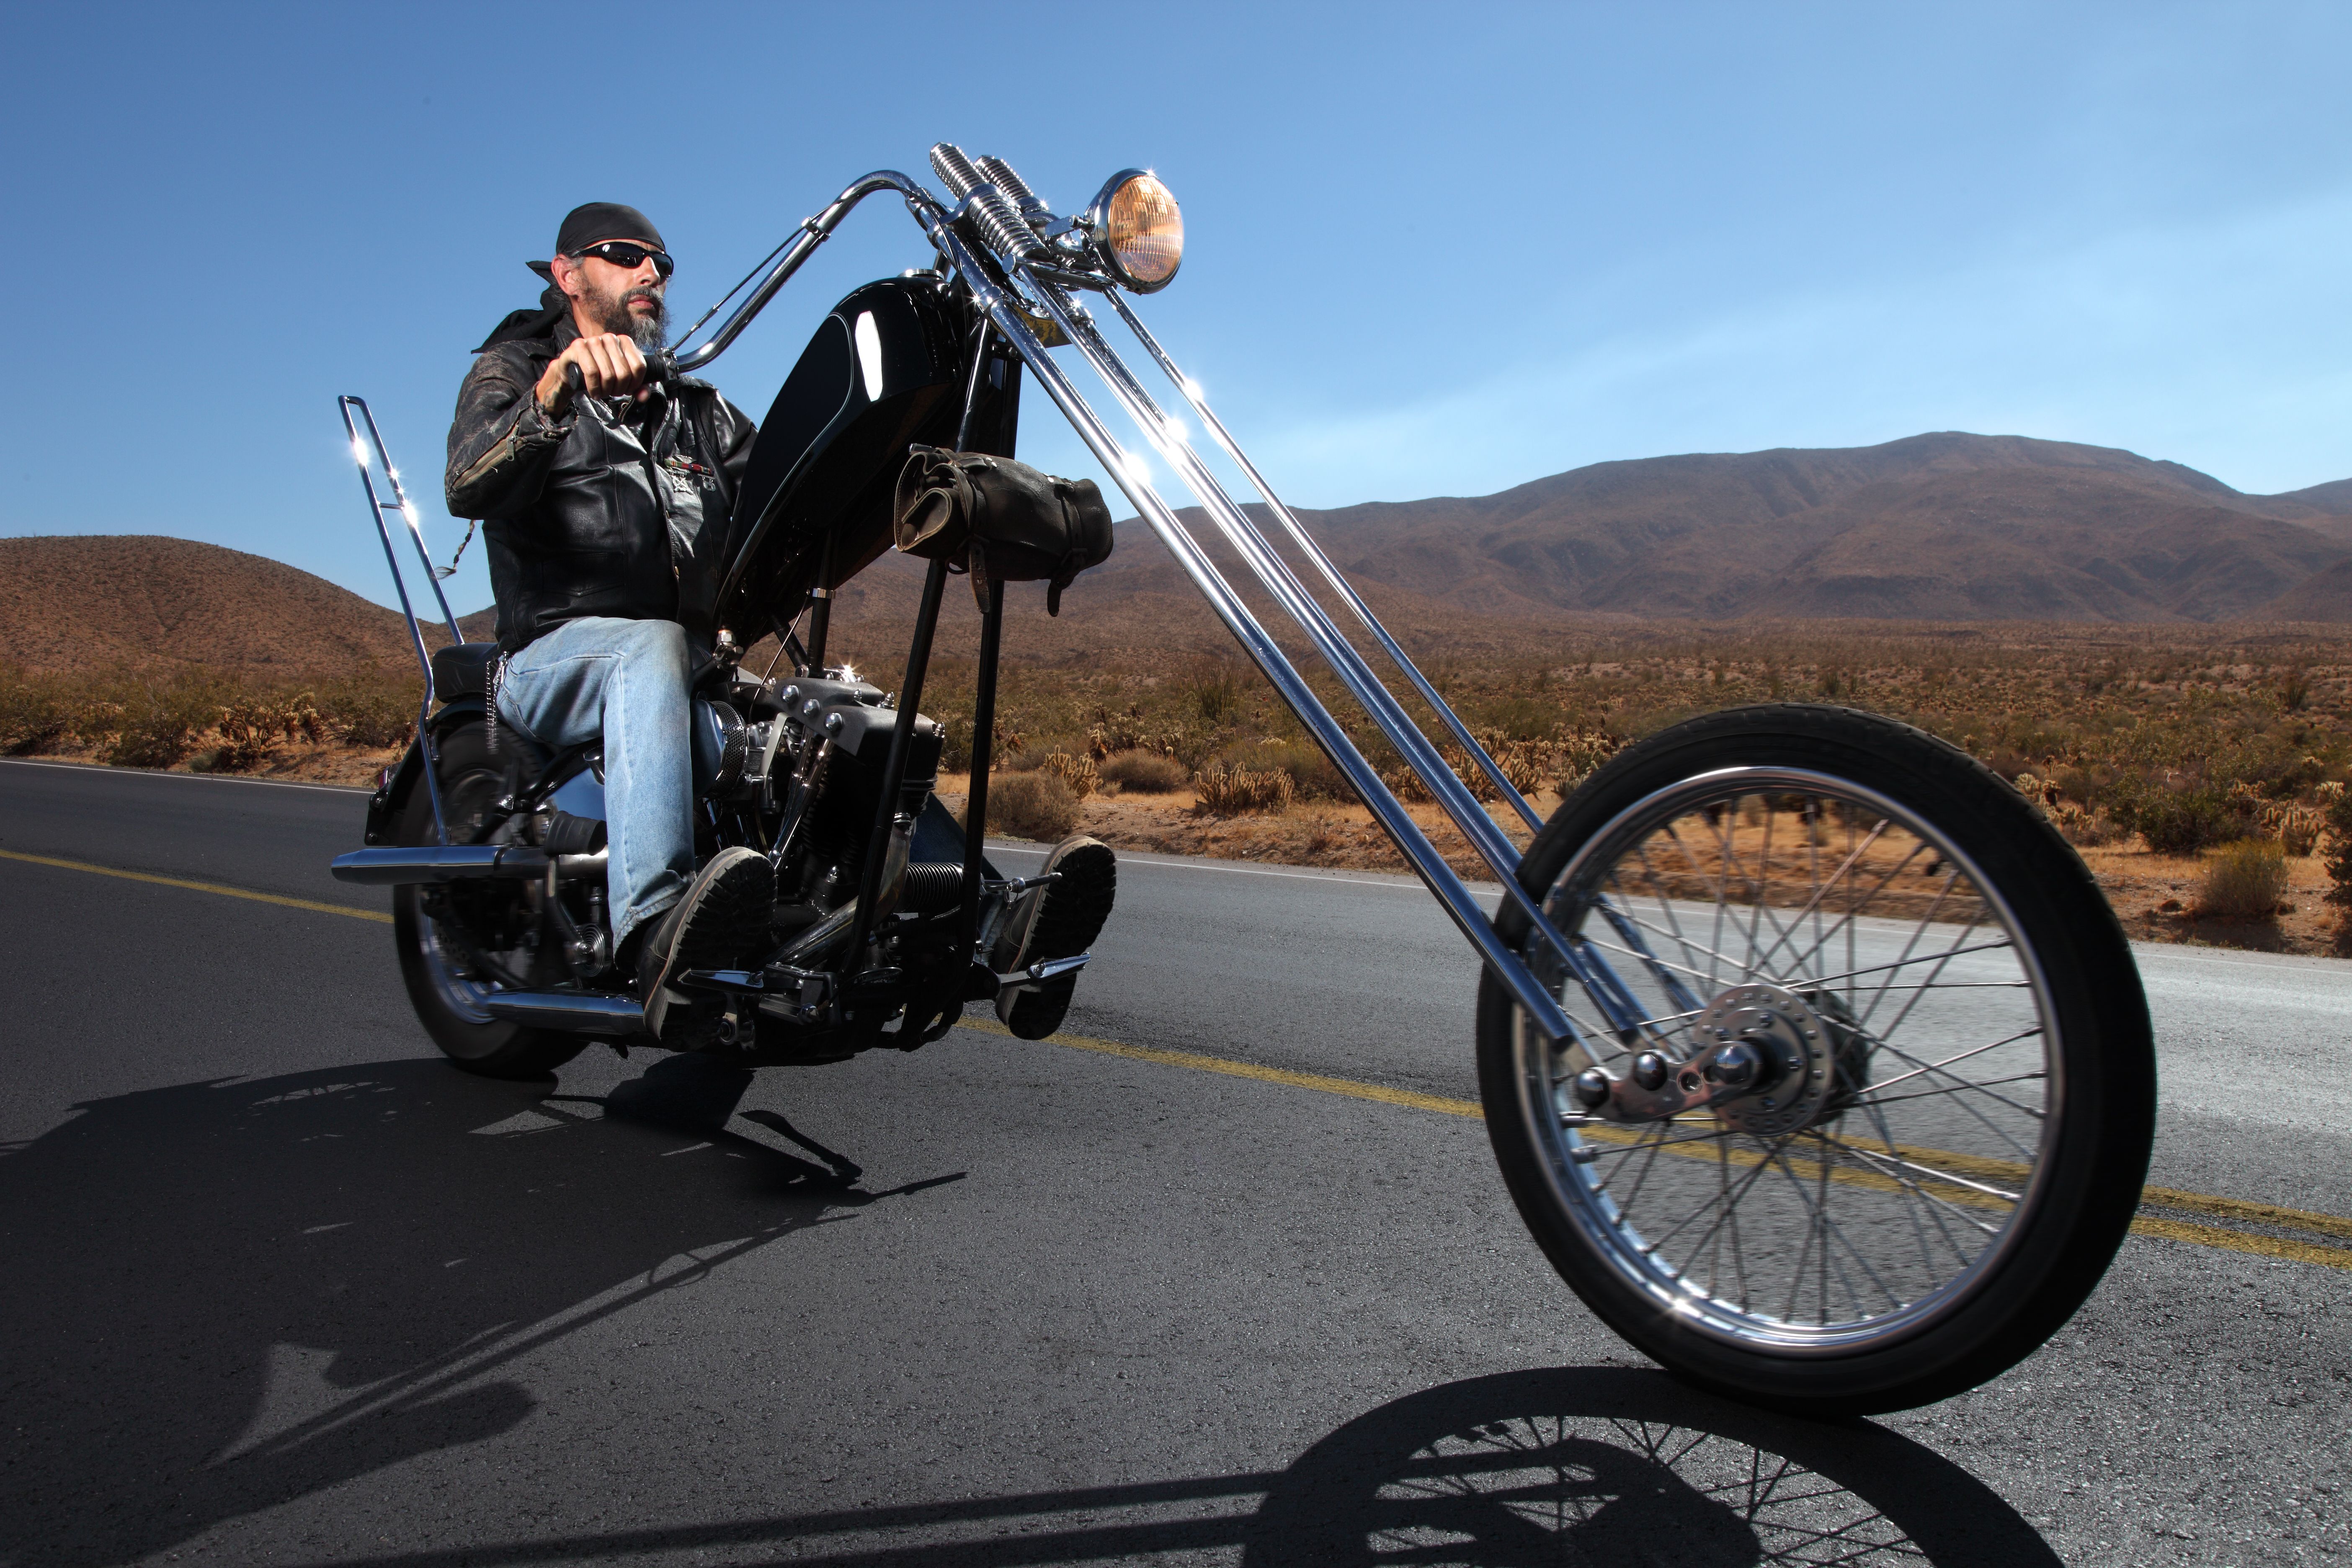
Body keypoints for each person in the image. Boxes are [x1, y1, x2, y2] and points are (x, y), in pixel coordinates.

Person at [445, 202, 769, 1042]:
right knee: (648, 649)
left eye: (661, 261)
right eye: (626, 256)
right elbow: (466, 482)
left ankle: (968, 911)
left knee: (827, 722)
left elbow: (783, 485)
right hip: (551, 656)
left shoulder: (691, 405)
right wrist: (551, 396)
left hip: (683, 665)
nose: (652, 272)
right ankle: (657, 935)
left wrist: (916, 475)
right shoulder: (512, 366)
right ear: (568, 275)